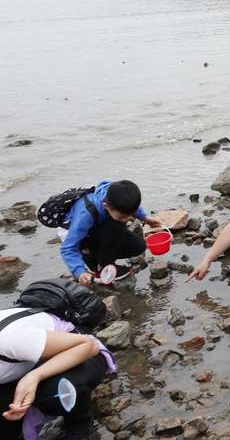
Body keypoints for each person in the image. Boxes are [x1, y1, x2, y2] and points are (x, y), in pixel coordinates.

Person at [0, 306, 114, 439]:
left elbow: (89, 345)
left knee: (56, 391)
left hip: (78, 348)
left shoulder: (10, 339)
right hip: (29, 362)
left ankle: (79, 420)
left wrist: (34, 377)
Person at [57, 180, 162, 284]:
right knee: (117, 225)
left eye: (129, 215)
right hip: (77, 235)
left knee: (139, 246)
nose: (127, 219)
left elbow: (132, 208)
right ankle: (98, 264)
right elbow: (68, 247)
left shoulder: (116, 195)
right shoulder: (85, 215)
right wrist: (79, 272)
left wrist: (145, 218)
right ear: (106, 206)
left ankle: (100, 256)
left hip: (98, 227)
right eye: (123, 216)